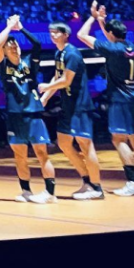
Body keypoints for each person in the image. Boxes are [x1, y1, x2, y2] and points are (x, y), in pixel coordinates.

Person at [79, 1, 134, 196]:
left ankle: (133, 181)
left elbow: (82, 35)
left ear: (111, 34)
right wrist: (103, 22)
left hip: (120, 99)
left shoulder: (113, 50)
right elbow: (110, 39)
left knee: (119, 140)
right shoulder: (130, 47)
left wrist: (93, 18)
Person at [0, 15, 55, 204]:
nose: (14, 48)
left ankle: (50, 193)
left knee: (42, 153)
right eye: (10, 47)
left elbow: (37, 44)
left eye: (16, 46)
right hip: (15, 116)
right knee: (20, 155)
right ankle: (26, 191)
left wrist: (20, 28)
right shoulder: (3, 66)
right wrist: (8, 28)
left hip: (33, 114)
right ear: (5, 52)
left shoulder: (29, 62)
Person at [40, 19, 102, 199]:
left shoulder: (73, 54)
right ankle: (87, 181)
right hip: (67, 106)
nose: (53, 35)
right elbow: (57, 76)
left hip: (79, 106)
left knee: (85, 145)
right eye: (51, 32)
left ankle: (97, 188)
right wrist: (46, 97)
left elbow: (66, 80)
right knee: (64, 143)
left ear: (66, 35)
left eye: (56, 32)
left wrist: (46, 87)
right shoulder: (59, 54)